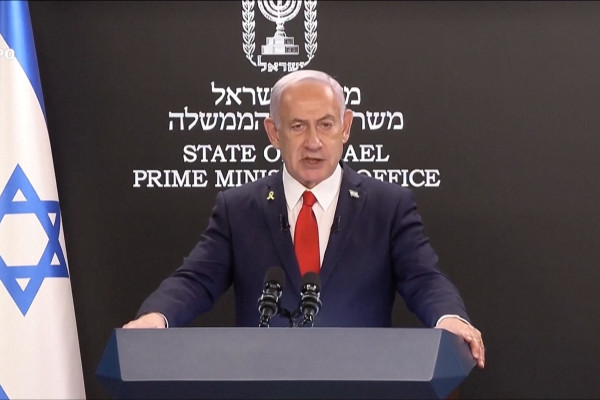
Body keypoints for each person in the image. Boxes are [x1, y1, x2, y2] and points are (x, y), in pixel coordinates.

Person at [123, 69, 485, 369]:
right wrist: (156, 317)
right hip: (265, 384)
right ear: (273, 133)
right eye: (298, 126)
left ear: (345, 127)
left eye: (325, 125)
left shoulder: (388, 206)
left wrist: (450, 318)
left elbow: (424, 278)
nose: (313, 142)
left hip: (361, 384)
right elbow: (196, 279)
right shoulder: (239, 208)